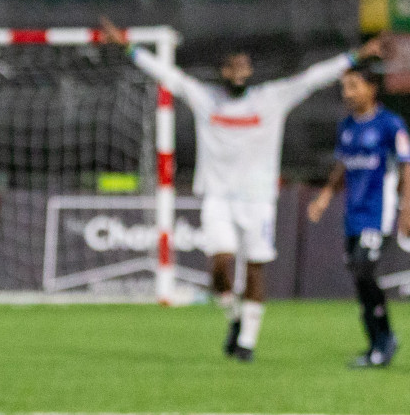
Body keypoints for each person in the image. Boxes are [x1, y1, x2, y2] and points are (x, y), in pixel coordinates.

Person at [101, 19, 384, 361]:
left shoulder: (270, 99)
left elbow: (314, 77)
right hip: (217, 197)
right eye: (231, 67)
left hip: (258, 199)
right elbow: (167, 76)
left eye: (243, 66)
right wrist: (128, 47)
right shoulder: (206, 98)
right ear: (221, 71)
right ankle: (234, 315)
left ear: (251, 71)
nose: (237, 72)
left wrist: (356, 56)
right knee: (220, 266)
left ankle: (247, 341)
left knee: (254, 268)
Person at [306, 63, 410, 367]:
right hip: (354, 213)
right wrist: (325, 196)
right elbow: (342, 165)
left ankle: (384, 340)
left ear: (371, 88)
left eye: (354, 86)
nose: (347, 93)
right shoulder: (347, 126)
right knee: (359, 275)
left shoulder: (390, 125)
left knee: (364, 269)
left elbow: (406, 163)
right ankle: (377, 342)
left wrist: (407, 207)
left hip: (379, 212)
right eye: (344, 88)